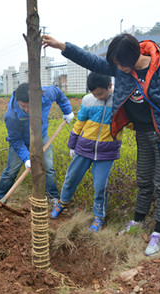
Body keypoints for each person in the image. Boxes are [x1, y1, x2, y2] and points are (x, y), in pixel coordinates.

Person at [42, 33, 160, 256]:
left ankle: (159, 231)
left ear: (134, 56)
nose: (117, 68)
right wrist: (62, 46)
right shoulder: (121, 66)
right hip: (143, 132)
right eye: (115, 64)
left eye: (120, 64)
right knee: (144, 179)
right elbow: (92, 61)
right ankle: (138, 220)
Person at [50, 72, 122, 232]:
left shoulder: (120, 101)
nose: (98, 97)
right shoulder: (88, 101)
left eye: (101, 93)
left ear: (110, 86)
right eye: (94, 94)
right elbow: (79, 123)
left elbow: (128, 123)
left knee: (100, 186)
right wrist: (72, 145)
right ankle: (63, 202)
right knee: (71, 177)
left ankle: (99, 217)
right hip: (84, 148)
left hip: (106, 152)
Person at [0, 83, 75, 206]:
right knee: (11, 171)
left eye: (29, 106)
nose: (26, 109)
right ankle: (0, 198)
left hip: (41, 137)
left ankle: (52, 197)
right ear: (17, 101)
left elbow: (58, 93)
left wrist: (67, 110)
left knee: (48, 167)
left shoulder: (46, 94)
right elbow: (15, 140)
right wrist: (26, 158)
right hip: (21, 142)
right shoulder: (11, 115)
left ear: (37, 99)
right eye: (23, 106)